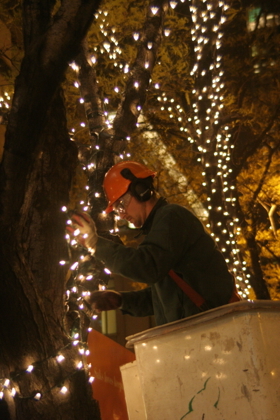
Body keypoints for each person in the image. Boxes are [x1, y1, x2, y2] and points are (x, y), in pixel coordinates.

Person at [69, 161, 239, 326]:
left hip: (214, 328)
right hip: (202, 331)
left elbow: (147, 266)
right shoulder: (159, 232)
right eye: (117, 210)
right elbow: (166, 298)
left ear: (140, 190)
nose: (121, 214)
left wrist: (95, 244)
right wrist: (121, 301)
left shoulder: (172, 217)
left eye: (121, 205)